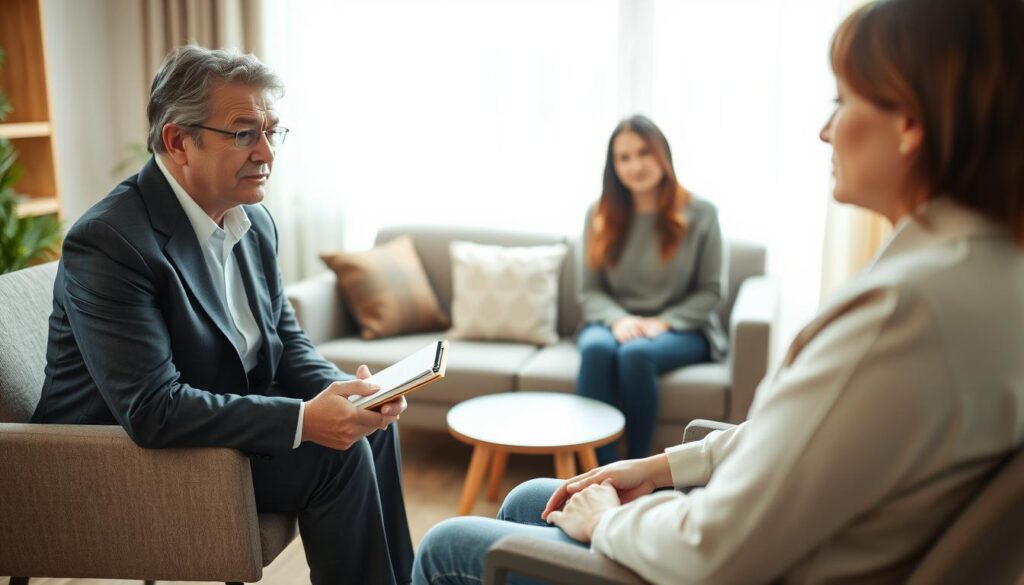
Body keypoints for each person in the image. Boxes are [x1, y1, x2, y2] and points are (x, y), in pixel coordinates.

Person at [412, 0, 1024, 582]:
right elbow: (802, 441)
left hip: (746, 566)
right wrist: (659, 467)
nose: (823, 130)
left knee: (444, 547)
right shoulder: (983, 276)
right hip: (790, 546)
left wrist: (612, 520)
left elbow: (713, 550)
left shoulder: (900, 311)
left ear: (910, 124)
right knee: (529, 495)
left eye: (843, 100)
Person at [31, 46, 414, 585]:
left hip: (211, 427)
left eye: (271, 131)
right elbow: (152, 409)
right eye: (243, 133)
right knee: (335, 453)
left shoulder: (254, 224)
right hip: (114, 462)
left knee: (372, 431)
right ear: (177, 141)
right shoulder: (110, 242)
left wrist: (349, 395)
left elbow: (285, 339)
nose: (267, 153)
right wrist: (306, 421)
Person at [576, 115, 725, 464]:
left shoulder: (702, 214)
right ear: (613, 166)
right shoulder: (598, 214)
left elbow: (711, 291)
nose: (635, 166)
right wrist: (618, 319)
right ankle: (600, 470)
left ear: (662, 154)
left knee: (635, 354)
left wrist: (665, 322)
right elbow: (589, 291)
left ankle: (637, 469)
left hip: (681, 328)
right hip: (614, 322)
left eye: (643, 153)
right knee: (597, 350)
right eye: (623, 158)